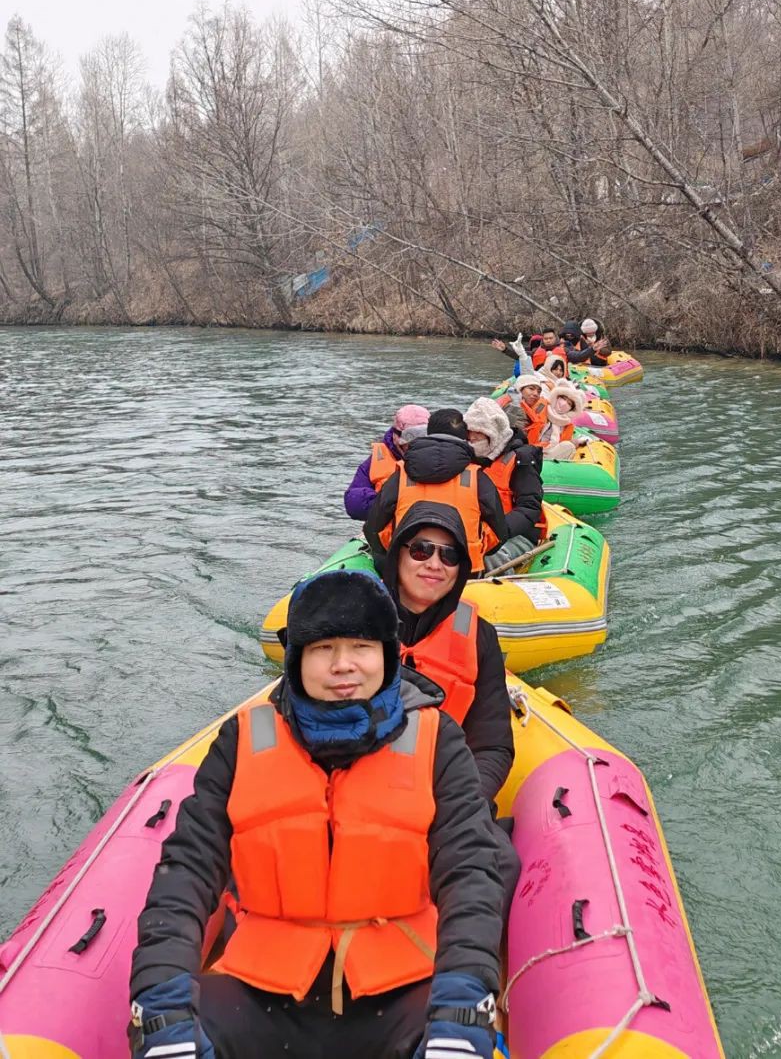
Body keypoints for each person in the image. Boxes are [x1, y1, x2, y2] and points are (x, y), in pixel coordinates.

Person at [128, 570, 503, 1059]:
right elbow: (187, 871)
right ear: (297, 659)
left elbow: (470, 872)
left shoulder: (438, 741)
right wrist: (161, 1001)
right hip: (263, 990)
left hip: (402, 988)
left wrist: (463, 1002)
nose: (343, 665)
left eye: (361, 647)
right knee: (167, 1035)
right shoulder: (241, 741)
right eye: (324, 649)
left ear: (386, 655)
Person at [381, 505, 522, 915]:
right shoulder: (356, 620)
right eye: (421, 550)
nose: (434, 564)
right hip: (362, 785)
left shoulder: (479, 636)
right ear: (398, 553)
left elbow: (493, 746)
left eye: (450, 555)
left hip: (446, 790)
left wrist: (454, 803)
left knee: (498, 863)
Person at [365, 409, 507, 572]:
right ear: (465, 438)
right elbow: (499, 534)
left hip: (408, 567)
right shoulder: (478, 477)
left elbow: (373, 528)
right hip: (464, 570)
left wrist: (397, 548)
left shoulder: (401, 474)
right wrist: (476, 548)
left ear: (428, 432)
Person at [464, 396, 543, 550]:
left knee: (491, 557)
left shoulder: (521, 459)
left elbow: (530, 507)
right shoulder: (465, 457)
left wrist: (498, 532)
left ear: (493, 432)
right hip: (474, 531)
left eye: (478, 432)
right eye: (469, 432)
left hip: (514, 534)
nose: (472, 438)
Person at [343, 404, 430, 522]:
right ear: (395, 436)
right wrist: (389, 504)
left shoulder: (442, 457)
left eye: (421, 440)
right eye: (410, 442)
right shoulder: (377, 460)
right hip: (391, 525)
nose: (415, 446)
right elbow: (354, 504)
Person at [496, 374, 548, 448]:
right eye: (531, 389)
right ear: (520, 390)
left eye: (539, 392)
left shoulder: (534, 408)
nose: (536, 394)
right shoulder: (515, 407)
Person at [541, 380, 587, 461]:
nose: (564, 403)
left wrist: (575, 442)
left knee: (569, 446)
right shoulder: (542, 407)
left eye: (569, 403)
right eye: (563, 398)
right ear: (557, 396)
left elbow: (563, 442)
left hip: (548, 454)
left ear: (571, 409)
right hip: (533, 450)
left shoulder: (566, 424)